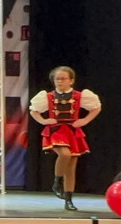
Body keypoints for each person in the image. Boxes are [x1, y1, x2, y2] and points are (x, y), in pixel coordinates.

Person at [29, 66, 101, 211]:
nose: (60, 82)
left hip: (72, 131)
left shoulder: (79, 96)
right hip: (56, 131)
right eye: (57, 79)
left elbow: (96, 107)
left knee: (71, 167)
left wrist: (84, 120)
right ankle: (57, 182)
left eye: (63, 79)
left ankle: (68, 200)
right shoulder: (48, 96)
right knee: (65, 154)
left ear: (71, 81)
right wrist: (43, 121)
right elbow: (33, 111)